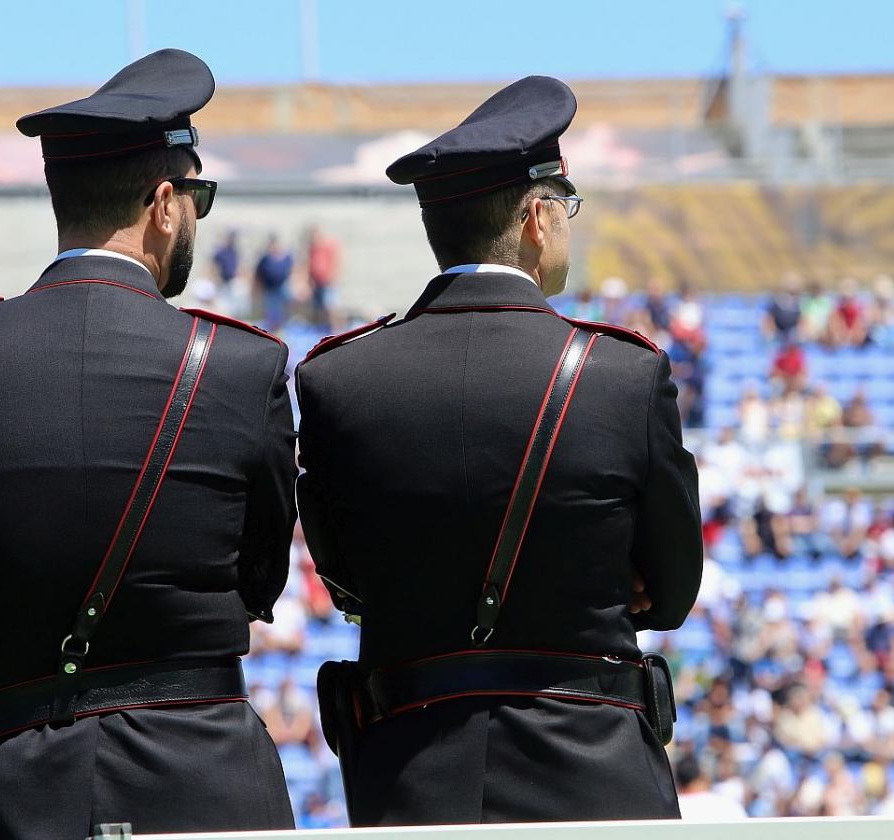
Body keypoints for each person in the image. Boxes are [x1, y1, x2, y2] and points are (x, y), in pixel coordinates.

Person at [0, 51, 297, 837]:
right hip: (204, 786)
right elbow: (257, 581)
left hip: (1, 786)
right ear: (165, 205)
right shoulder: (243, 366)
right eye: (198, 198)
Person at [296, 76, 701, 825]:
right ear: (538, 219)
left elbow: (348, 580)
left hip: (409, 775)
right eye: (566, 208)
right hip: (595, 773)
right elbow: (672, 592)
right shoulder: (622, 375)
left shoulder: (338, 378)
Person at [253, 233, 293, 330]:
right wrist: (258, 287)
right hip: (270, 288)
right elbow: (258, 273)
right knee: (271, 310)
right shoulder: (265, 259)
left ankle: (282, 327)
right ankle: (273, 329)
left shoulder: (286, 257)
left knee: (284, 309)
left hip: (282, 286)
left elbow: (292, 270)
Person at [304, 225, 341, 328]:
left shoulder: (328, 246)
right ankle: (321, 329)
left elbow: (335, 262)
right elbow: (309, 264)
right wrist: (309, 280)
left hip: (327, 282)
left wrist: (332, 276)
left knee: (331, 306)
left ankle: (336, 329)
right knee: (318, 308)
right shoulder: (312, 248)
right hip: (316, 282)